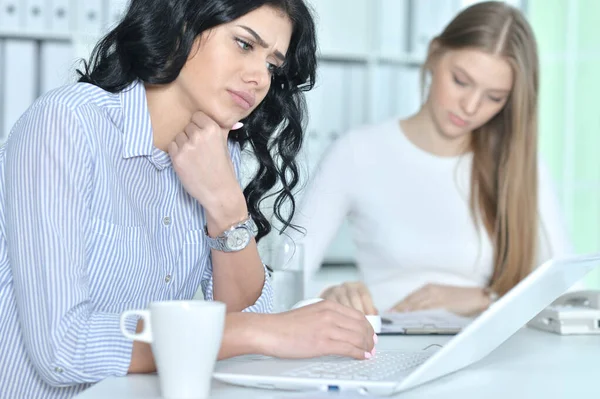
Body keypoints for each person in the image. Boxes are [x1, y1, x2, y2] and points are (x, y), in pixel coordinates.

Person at [0, 1, 375, 398]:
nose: (258, 79)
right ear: (181, 26)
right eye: (245, 45)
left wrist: (226, 204)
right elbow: (63, 348)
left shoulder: (217, 151)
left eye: (272, 66)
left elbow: (248, 319)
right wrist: (265, 332)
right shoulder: (67, 125)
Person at [288, 1, 573, 316]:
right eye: (461, 81)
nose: (470, 106)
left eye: (494, 97)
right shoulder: (357, 151)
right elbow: (284, 277)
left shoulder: (520, 167)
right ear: (434, 54)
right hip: (381, 346)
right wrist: (330, 294)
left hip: (481, 351)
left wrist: (487, 297)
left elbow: (563, 293)